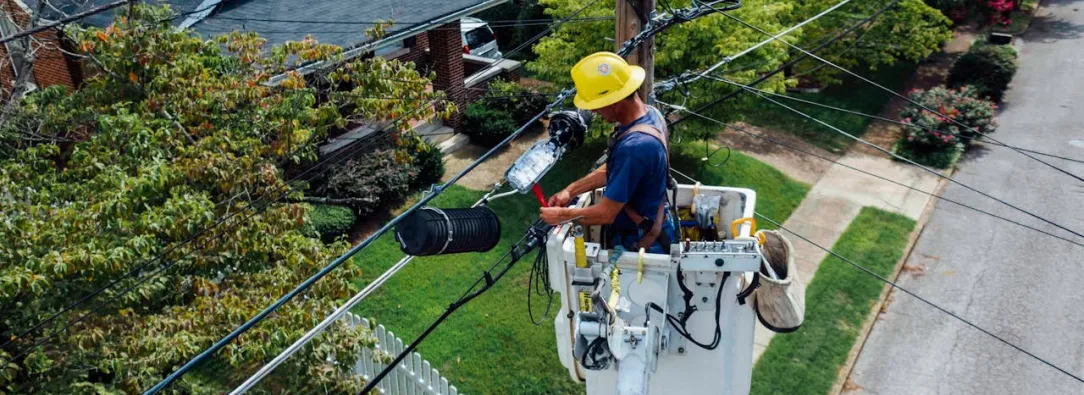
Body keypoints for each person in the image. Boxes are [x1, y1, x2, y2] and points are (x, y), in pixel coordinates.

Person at [539, 52, 676, 254]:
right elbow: (614, 170)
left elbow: (605, 214)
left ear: (614, 102)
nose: (594, 112)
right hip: (652, 226)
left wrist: (561, 216)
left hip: (642, 243)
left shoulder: (635, 147)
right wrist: (571, 190)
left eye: (596, 106)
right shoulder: (650, 114)